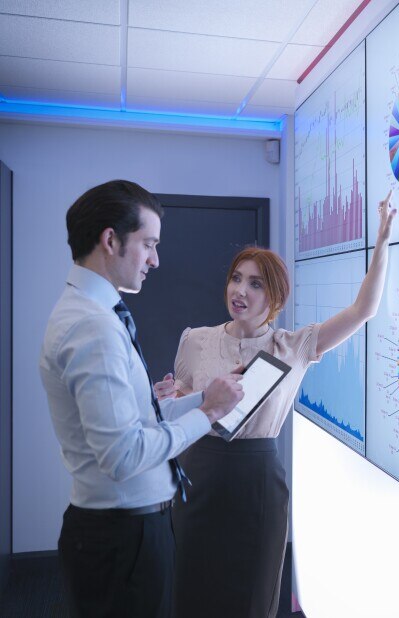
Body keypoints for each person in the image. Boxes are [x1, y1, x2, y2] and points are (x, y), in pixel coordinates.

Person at [153, 190, 397, 618]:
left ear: (276, 297)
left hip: (259, 483)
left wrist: (382, 244)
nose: (239, 290)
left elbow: (363, 309)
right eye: (235, 278)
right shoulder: (195, 340)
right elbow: (181, 408)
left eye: (254, 283)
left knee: (253, 596)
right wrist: (165, 400)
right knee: (193, 590)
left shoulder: (293, 346)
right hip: (200, 474)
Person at [39, 180, 245, 618]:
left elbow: (133, 424)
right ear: (110, 240)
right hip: (121, 541)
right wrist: (208, 413)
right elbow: (124, 454)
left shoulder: (93, 313)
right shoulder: (92, 327)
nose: (155, 260)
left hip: (121, 534)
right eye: (148, 244)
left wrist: (203, 399)